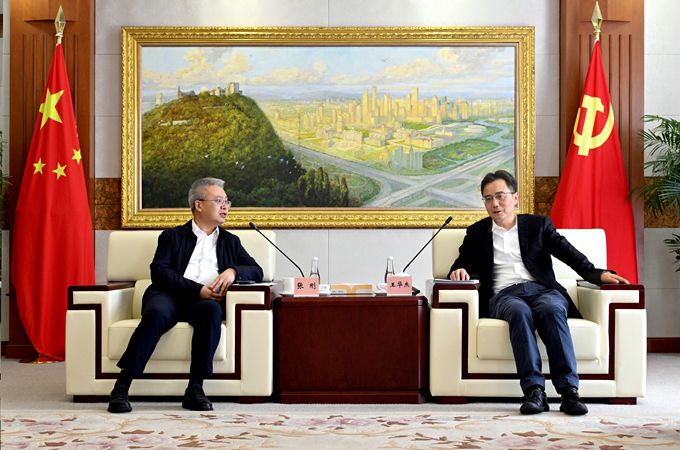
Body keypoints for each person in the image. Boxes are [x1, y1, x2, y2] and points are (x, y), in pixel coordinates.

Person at [448, 170, 628, 416]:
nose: (495, 203)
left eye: (500, 196)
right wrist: (459, 270)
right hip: (505, 295)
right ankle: (534, 391)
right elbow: (460, 263)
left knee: (552, 309)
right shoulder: (477, 232)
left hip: (543, 290)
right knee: (518, 311)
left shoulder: (537, 225)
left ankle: (569, 392)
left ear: (515, 198)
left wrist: (596, 274)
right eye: (488, 199)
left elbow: (568, 253)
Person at [108, 177, 263, 413]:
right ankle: (121, 386)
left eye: (227, 201)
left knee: (211, 312)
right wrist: (197, 289)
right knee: (157, 314)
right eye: (219, 201)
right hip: (169, 295)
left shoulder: (230, 241)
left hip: (204, 302)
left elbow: (257, 271)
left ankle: (195, 389)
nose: (226, 207)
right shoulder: (172, 236)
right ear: (198, 204)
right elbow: (160, 272)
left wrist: (233, 271)